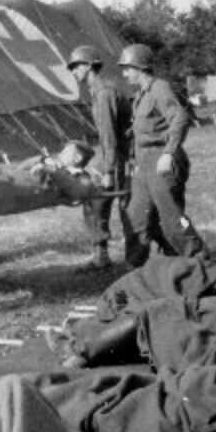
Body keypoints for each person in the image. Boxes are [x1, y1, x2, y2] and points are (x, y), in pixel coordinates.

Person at [118, 43, 206, 268]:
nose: (124, 73)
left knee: (172, 220)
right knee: (136, 218)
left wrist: (168, 153)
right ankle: (134, 270)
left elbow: (180, 118)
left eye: (127, 68)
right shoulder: (141, 95)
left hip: (161, 160)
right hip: (144, 164)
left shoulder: (160, 89)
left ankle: (199, 262)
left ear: (140, 67)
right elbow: (141, 132)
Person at [66, 44, 132, 269]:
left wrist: (110, 171)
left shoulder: (104, 93)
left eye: (76, 67)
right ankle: (100, 254)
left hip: (122, 155)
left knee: (125, 205)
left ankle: (133, 257)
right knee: (91, 198)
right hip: (112, 152)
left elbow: (110, 136)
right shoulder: (99, 90)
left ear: (88, 66)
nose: (73, 72)